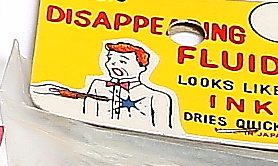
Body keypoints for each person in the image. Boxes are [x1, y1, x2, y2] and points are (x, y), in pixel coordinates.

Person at [33, 41, 178, 130]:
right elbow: (86, 119)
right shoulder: (98, 86)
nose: (113, 64)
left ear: (142, 66)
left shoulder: (158, 97)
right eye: (110, 59)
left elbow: (165, 132)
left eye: (123, 61)